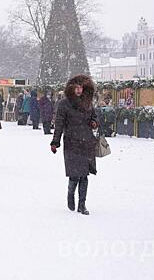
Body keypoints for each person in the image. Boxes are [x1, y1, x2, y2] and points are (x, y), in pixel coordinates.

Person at [50, 75, 98, 216]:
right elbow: (59, 123)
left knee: (84, 175)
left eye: (81, 88)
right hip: (72, 142)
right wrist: (55, 141)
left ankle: (82, 205)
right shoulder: (64, 104)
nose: (79, 90)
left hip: (86, 142)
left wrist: (94, 122)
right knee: (74, 175)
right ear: (71, 89)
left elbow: (95, 117)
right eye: (76, 88)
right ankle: (70, 194)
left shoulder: (88, 102)